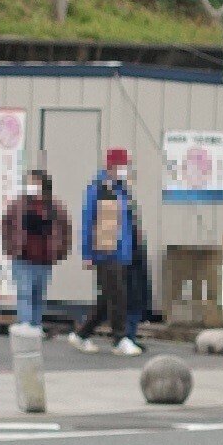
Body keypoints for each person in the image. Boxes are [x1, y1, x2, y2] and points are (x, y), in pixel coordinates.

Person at [78, 148, 141, 351]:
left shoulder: (122, 189)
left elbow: (128, 221)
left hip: (122, 250)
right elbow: (88, 221)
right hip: (105, 250)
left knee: (108, 297)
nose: (125, 169)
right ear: (112, 166)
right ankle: (120, 338)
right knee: (118, 295)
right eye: (123, 165)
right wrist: (87, 253)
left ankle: (81, 334)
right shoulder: (98, 188)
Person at [0, 164, 70, 332]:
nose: (32, 185)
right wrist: (9, 246)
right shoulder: (18, 204)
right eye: (30, 182)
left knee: (38, 293)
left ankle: (35, 324)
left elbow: (65, 229)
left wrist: (61, 250)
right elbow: (5, 225)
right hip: (22, 256)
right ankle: (25, 322)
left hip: (44, 258)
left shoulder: (54, 206)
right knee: (24, 291)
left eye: (35, 182)